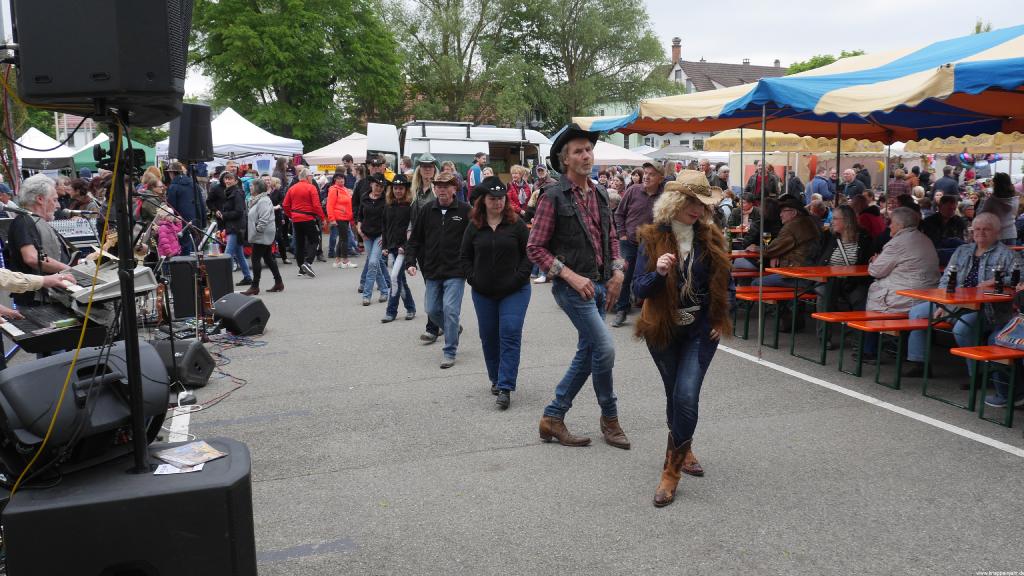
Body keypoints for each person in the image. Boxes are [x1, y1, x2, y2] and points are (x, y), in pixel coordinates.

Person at [631, 171, 732, 507]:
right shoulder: (649, 237)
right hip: (662, 328)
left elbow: (726, 284)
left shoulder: (711, 238)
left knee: (686, 394)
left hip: (700, 330)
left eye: (702, 203)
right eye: (692, 201)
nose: (698, 209)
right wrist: (657, 272)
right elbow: (637, 290)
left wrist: (720, 317)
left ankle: (670, 471)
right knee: (674, 394)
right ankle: (685, 447)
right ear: (675, 202)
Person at [526, 124, 628, 450]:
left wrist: (617, 272)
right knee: (605, 348)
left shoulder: (598, 192)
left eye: (588, 150)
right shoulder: (552, 197)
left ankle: (553, 417)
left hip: (599, 285)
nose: (586, 155)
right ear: (564, 160)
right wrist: (569, 275)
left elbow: (610, 237)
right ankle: (610, 418)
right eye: (578, 151)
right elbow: (535, 248)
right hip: (573, 289)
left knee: (589, 352)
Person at [903, 212, 1017, 378]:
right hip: (953, 303)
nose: (980, 233)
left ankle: (976, 375)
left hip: (985, 309)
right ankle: (920, 363)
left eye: (986, 229)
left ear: (997, 232)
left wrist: (996, 280)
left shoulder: (1008, 254)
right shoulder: (962, 250)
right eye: (976, 229)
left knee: (963, 328)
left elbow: (1019, 278)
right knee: (917, 312)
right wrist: (943, 302)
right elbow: (946, 279)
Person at [461, 176, 532, 409]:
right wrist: (473, 278)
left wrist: (517, 278)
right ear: (483, 201)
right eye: (493, 199)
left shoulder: (517, 224)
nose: (498, 203)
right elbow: (464, 257)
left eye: (501, 199)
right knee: (489, 336)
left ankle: (506, 386)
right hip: (483, 292)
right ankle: (495, 378)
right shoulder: (474, 226)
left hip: (515, 290)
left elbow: (529, 254)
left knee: (510, 332)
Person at [406, 172, 470, 368]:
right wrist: (411, 261)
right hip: (432, 269)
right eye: (438, 186)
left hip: (456, 271)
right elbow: (415, 239)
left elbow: (475, 238)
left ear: (454, 188)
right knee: (432, 310)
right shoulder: (427, 210)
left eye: (446, 185)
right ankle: (453, 328)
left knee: (450, 310)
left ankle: (450, 351)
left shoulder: (465, 210)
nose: (441, 189)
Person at [859, 207, 939, 361]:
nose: (889, 226)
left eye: (892, 223)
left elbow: (876, 271)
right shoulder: (925, 239)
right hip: (926, 297)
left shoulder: (897, 243)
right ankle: (891, 347)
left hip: (906, 298)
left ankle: (869, 351)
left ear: (900, 226)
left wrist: (874, 260)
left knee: (871, 297)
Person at [7, 174, 75, 308]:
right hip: (37, 301)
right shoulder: (24, 221)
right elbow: (32, 258)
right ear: (40, 199)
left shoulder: (36, 221)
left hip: (49, 298)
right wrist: (70, 270)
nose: (58, 206)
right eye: (54, 200)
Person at [611, 159, 664, 327]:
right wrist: (622, 235)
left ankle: (650, 312)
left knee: (651, 277)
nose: (647, 177)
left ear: (660, 178)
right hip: (630, 242)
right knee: (626, 276)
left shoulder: (664, 196)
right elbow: (619, 214)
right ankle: (622, 310)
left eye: (652, 174)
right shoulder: (633, 190)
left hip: (652, 245)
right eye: (646, 173)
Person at [814, 204, 872, 348]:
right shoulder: (828, 236)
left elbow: (867, 261)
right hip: (828, 280)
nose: (832, 221)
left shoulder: (864, 238)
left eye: (835, 219)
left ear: (847, 221)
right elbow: (816, 257)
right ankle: (823, 337)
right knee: (826, 295)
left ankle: (857, 340)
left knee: (861, 298)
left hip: (852, 281)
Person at [410, 154, 441, 340]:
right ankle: (445, 321)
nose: (427, 169)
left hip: (439, 243)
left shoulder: (439, 188)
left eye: (430, 166)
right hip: (422, 245)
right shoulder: (414, 190)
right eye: (423, 166)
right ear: (419, 169)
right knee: (430, 285)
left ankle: (433, 327)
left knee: (436, 285)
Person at [238, 178, 283, 296]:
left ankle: (255, 286)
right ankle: (278, 282)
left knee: (255, 258)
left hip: (262, 234)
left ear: (257, 187)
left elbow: (264, 218)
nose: (250, 187)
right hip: (262, 233)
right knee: (268, 258)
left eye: (252, 186)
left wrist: (258, 230)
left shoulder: (263, 200)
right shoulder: (258, 199)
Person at [381, 174, 416, 323]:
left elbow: (412, 229)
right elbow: (385, 227)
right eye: (395, 188)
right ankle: (410, 308)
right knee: (400, 279)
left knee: (394, 277)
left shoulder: (410, 206)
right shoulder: (388, 205)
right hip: (392, 247)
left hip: (404, 249)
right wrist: (385, 246)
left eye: (401, 188)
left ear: (406, 190)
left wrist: (405, 246)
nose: (398, 191)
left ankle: (391, 311)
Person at [282, 166, 325, 278]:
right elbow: (316, 205)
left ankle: (301, 268)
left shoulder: (292, 188)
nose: (312, 178)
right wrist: (322, 217)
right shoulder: (311, 188)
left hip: (296, 218)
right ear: (307, 176)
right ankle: (308, 263)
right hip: (308, 218)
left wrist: (291, 215)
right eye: (311, 176)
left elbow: (285, 204)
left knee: (299, 243)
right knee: (315, 240)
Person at [357, 173, 390, 306]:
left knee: (372, 264)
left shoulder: (386, 200)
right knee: (377, 264)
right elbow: (360, 216)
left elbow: (389, 220)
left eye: (381, 187)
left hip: (379, 236)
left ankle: (367, 295)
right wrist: (359, 229)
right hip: (366, 235)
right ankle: (384, 291)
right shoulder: (364, 197)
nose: (379, 189)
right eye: (377, 185)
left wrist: (385, 236)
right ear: (371, 184)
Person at [216, 172, 252, 286]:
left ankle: (223, 279)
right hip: (234, 226)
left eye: (230, 179)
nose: (227, 181)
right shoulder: (230, 192)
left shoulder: (237, 193)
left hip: (236, 228)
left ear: (236, 181)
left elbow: (239, 211)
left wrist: (224, 215)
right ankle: (247, 277)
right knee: (239, 254)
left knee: (228, 254)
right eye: (226, 179)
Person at [978, 172, 1019, 246]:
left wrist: (982, 200)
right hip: (1011, 234)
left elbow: (981, 216)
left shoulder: (992, 201)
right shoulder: (1015, 199)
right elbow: (1015, 215)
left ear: (996, 184)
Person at [326, 173, 355, 268]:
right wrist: (332, 219)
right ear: (334, 180)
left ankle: (338, 260)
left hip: (345, 217)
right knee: (345, 239)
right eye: (338, 178)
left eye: (342, 178)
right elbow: (329, 205)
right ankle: (345, 260)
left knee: (342, 239)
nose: (341, 180)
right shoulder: (334, 190)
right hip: (339, 217)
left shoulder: (344, 189)